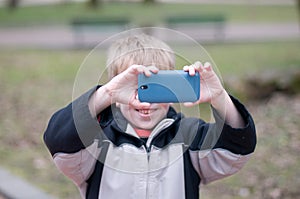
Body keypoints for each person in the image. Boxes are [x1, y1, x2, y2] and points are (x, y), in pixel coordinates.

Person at [43, 33, 256, 199]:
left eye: (158, 87)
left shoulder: (189, 136)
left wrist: (220, 98)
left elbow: (236, 150)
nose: (147, 101)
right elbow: (59, 141)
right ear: (116, 89)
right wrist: (106, 94)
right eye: (136, 87)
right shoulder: (97, 142)